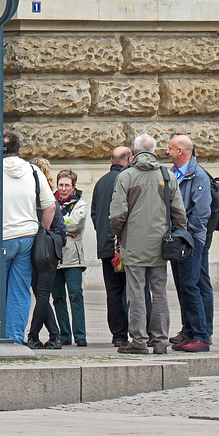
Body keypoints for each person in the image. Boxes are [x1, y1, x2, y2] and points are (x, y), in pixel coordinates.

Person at [0, 131, 56, 345]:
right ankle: (15, 339)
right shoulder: (34, 171)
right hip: (27, 238)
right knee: (20, 291)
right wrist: (41, 231)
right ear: (18, 149)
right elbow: (50, 206)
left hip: (0, 237)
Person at [110, 134, 187, 354]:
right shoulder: (167, 175)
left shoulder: (126, 176)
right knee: (160, 292)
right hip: (160, 244)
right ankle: (161, 341)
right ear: (154, 150)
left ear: (134, 152)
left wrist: (119, 234)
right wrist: (181, 235)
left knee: (135, 293)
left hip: (133, 243)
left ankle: (139, 341)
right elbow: (179, 211)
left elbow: (117, 215)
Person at [166, 134, 212, 353]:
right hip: (177, 238)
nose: (168, 152)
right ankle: (190, 332)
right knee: (183, 286)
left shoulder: (198, 176)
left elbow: (201, 213)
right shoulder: (173, 174)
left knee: (191, 286)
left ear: (181, 152)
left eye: (171, 148)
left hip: (190, 240)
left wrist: (186, 236)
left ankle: (201, 335)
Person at [90, 146, 132, 347]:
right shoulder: (128, 179)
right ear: (129, 159)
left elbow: (95, 214)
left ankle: (118, 335)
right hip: (125, 245)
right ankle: (142, 332)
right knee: (134, 289)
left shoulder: (100, 182)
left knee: (114, 291)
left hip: (106, 245)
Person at [25, 157, 65, 350]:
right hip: (50, 249)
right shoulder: (47, 195)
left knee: (41, 295)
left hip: (42, 248)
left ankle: (33, 336)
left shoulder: (38, 196)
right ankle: (55, 336)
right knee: (42, 295)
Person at [51, 169, 88, 346]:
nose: (63, 189)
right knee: (58, 297)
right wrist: (63, 223)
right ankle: (64, 334)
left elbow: (76, 224)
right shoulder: (50, 202)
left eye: (67, 185)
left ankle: (80, 335)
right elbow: (46, 223)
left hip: (73, 258)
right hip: (54, 257)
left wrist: (58, 223)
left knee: (76, 295)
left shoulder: (80, 203)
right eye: (61, 185)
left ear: (73, 187)